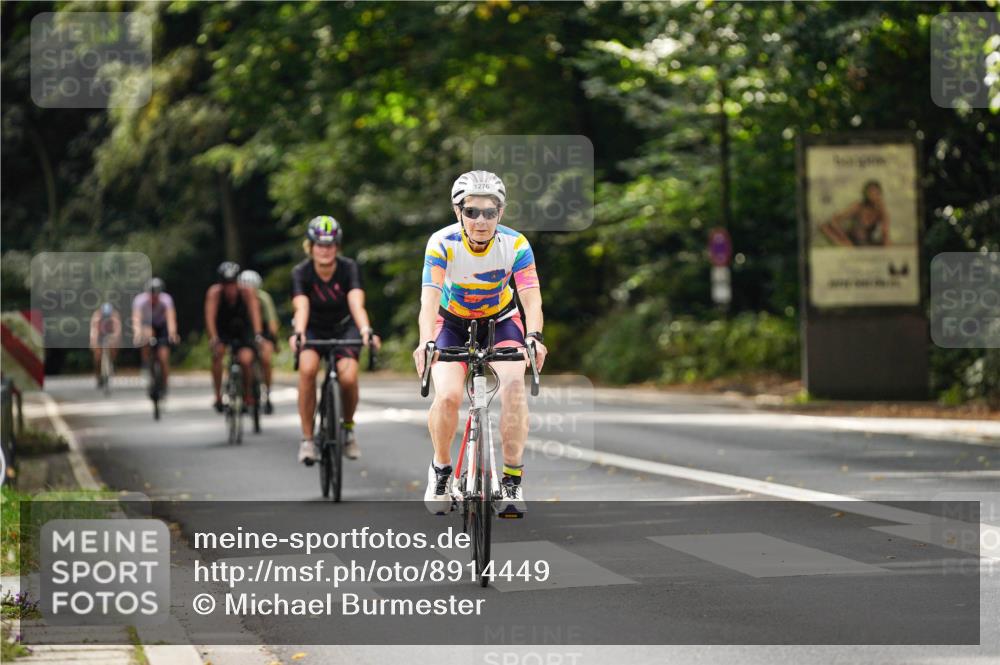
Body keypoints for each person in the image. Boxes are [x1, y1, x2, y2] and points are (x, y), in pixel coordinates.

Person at [413, 170, 547, 518]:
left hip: (500, 321)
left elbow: (531, 298)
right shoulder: (441, 243)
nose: (481, 220)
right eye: (472, 212)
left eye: (490, 212)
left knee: (515, 387)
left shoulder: (515, 244)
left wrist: (534, 337)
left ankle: (513, 480)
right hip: (451, 322)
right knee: (448, 396)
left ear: (500, 213)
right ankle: (442, 471)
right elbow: (429, 301)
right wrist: (427, 342)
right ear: (458, 212)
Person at [289, 216, 380, 466]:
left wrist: (365, 329)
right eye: (320, 245)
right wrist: (299, 332)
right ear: (311, 246)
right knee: (307, 370)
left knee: (348, 377)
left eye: (330, 245)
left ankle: (348, 429)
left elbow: (356, 303)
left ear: (337, 246)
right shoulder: (301, 272)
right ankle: (307, 440)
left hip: (345, 327)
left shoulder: (348, 268)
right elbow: (301, 307)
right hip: (313, 329)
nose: (325, 250)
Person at [204, 262, 264, 413]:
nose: (230, 288)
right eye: (226, 284)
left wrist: (258, 335)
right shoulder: (214, 294)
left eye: (232, 284)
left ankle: (247, 393)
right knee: (217, 355)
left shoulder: (247, 293)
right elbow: (210, 318)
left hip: (244, 330)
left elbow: (255, 315)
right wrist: (214, 338)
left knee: (246, 360)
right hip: (223, 329)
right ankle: (218, 396)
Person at [238, 270, 278, 414]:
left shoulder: (264, 298)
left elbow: (272, 322)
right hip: (244, 332)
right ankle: (244, 393)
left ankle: (267, 393)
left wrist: (273, 340)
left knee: (266, 359)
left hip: (263, 332)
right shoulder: (237, 299)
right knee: (241, 360)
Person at [132, 278, 180, 392]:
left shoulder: (166, 300)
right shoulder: (140, 300)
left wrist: (173, 333)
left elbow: (170, 319)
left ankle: (164, 383)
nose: (154, 298)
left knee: (163, 357)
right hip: (148, 325)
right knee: (146, 335)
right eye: (151, 295)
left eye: (156, 295)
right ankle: (146, 364)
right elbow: (136, 319)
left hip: (162, 326)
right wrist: (137, 333)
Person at [819, 180, 890, 247]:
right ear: (866, 193)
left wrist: (886, 244)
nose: (873, 195)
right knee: (824, 227)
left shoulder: (881, 209)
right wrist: (844, 238)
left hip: (867, 241)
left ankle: (849, 246)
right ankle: (846, 245)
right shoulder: (858, 206)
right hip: (851, 239)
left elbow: (885, 232)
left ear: (879, 194)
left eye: (876, 193)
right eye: (871, 192)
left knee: (888, 243)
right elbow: (834, 220)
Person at [89, 302, 122, 388]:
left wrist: (115, 338)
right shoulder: (97, 315)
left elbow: (117, 329)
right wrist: (94, 341)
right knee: (97, 356)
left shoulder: (114, 315)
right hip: (100, 335)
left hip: (110, 334)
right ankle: (98, 376)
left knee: (114, 345)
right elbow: (94, 330)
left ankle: (112, 361)